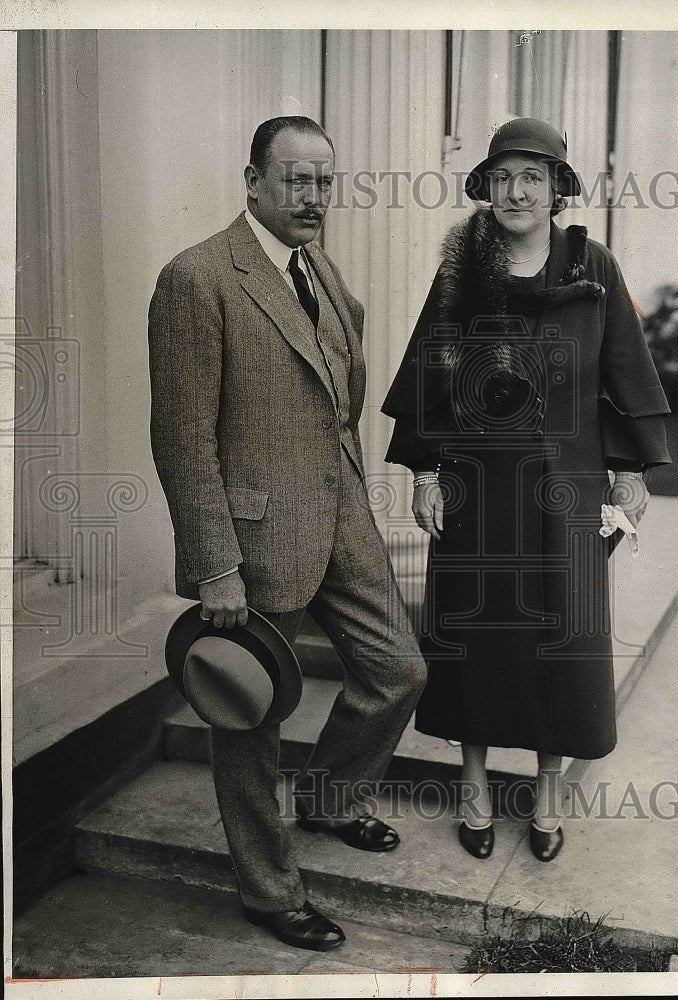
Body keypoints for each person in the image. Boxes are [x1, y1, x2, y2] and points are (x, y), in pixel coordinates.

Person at [148, 116, 426, 951]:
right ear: (254, 181)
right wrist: (214, 565)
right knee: (248, 716)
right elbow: (182, 436)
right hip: (252, 535)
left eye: (324, 182)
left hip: (337, 510)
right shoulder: (197, 279)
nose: (313, 198)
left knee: (399, 669)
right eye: (297, 180)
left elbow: (336, 400)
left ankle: (334, 798)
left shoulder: (322, 272)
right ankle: (269, 891)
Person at [381, 118, 670, 864]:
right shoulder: (463, 272)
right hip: (477, 490)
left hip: (567, 489)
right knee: (477, 638)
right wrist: (425, 471)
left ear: (556, 190)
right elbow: (429, 374)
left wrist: (630, 471)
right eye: (504, 177)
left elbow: (625, 368)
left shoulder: (592, 265)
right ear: (487, 187)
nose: (516, 191)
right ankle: (473, 785)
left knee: (561, 645)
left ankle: (547, 793)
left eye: (532, 178)